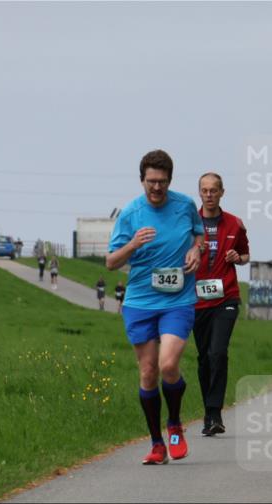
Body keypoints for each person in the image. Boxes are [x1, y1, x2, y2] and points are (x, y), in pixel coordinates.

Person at [106, 149, 204, 465]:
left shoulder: (186, 206)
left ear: (170, 181)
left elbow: (198, 237)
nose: (156, 188)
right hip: (140, 302)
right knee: (148, 372)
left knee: (168, 366)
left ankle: (175, 424)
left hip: (178, 300)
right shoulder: (130, 214)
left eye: (161, 182)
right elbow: (110, 262)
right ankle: (157, 443)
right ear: (141, 180)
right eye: (151, 182)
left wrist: (196, 251)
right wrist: (133, 244)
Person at [193, 172, 250, 436]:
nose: (209, 194)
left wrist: (238, 257)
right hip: (197, 300)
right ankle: (208, 412)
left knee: (218, 352)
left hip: (226, 296)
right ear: (199, 193)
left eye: (213, 190)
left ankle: (215, 413)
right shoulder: (188, 224)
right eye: (204, 190)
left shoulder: (235, 224)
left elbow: (246, 254)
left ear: (222, 192)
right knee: (204, 358)